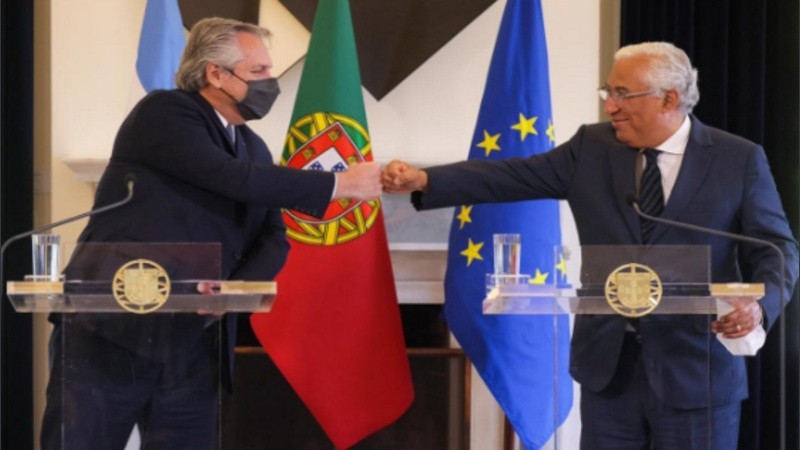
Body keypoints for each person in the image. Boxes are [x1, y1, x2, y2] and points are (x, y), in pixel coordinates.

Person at [382, 41, 799, 449]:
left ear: (669, 98)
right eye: (608, 92)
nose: (610, 106)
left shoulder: (737, 159)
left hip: (697, 367)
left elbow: (776, 250)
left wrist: (759, 306)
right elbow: (510, 176)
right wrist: (426, 180)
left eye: (622, 94)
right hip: (610, 369)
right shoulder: (592, 149)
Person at [41, 17, 382, 450]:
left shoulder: (252, 146)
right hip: (113, 327)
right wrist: (339, 185)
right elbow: (230, 179)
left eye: (269, 71)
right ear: (215, 73)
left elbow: (274, 235)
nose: (270, 82)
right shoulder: (166, 112)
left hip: (193, 341)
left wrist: (234, 288)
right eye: (257, 72)